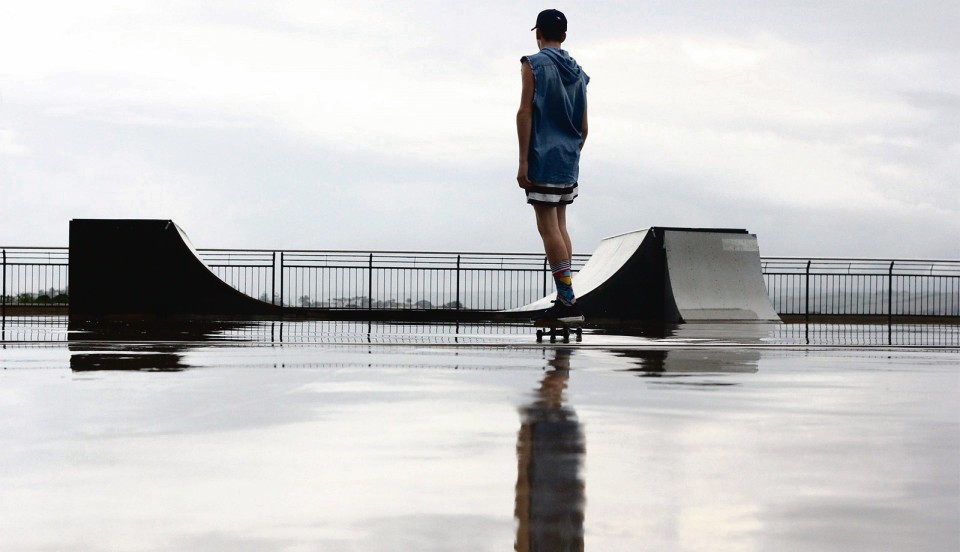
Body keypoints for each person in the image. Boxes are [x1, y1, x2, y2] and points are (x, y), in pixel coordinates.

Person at [517, 9, 589, 320]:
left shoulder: (533, 63)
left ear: (538, 33)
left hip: (543, 155)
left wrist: (523, 161)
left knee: (548, 228)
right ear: (564, 35)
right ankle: (566, 298)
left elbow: (525, 112)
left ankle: (568, 302)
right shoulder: (578, 71)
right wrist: (571, 150)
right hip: (568, 157)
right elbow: (584, 127)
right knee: (560, 225)